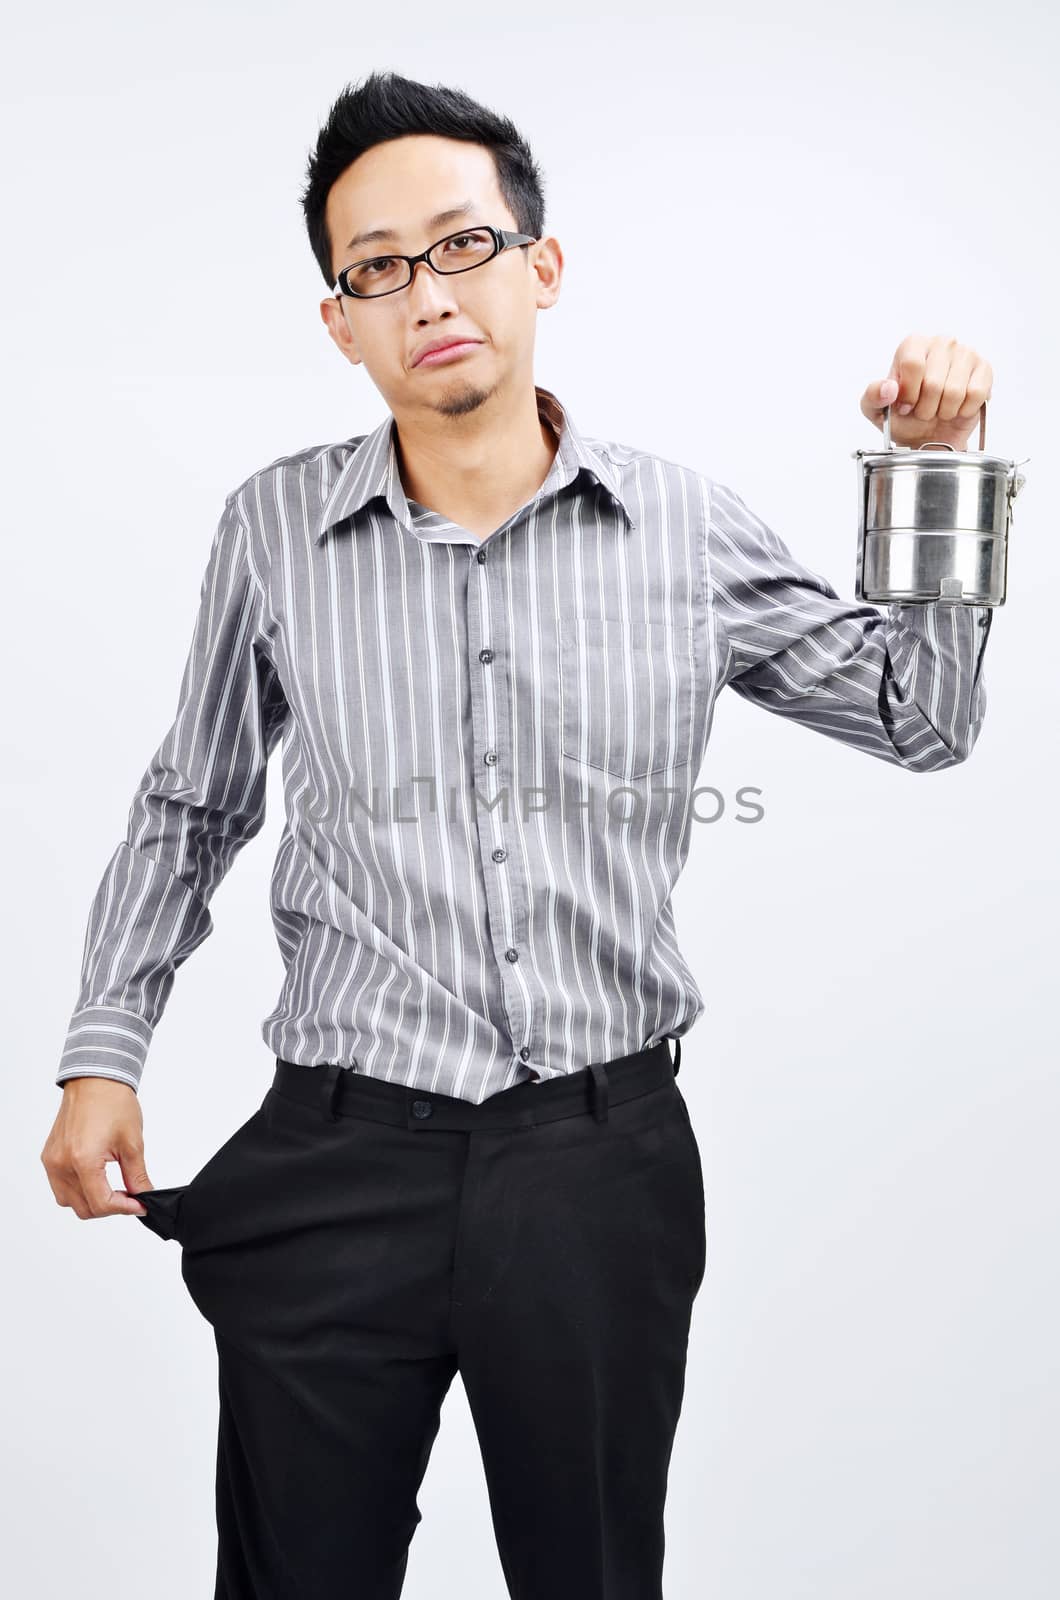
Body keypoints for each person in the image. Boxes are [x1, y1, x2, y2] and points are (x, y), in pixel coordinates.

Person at [41, 69, 996, 1599]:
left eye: (464, 243)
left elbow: (918, 717)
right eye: (379, 267)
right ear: (341, 319)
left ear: (540, 268)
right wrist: (105, 1055)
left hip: (596, 1168)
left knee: (593, 1578)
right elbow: (192, 801)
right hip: (340, 1151)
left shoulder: (683, 528)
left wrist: (937, 472)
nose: (429, 291)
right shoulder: (272, 530)